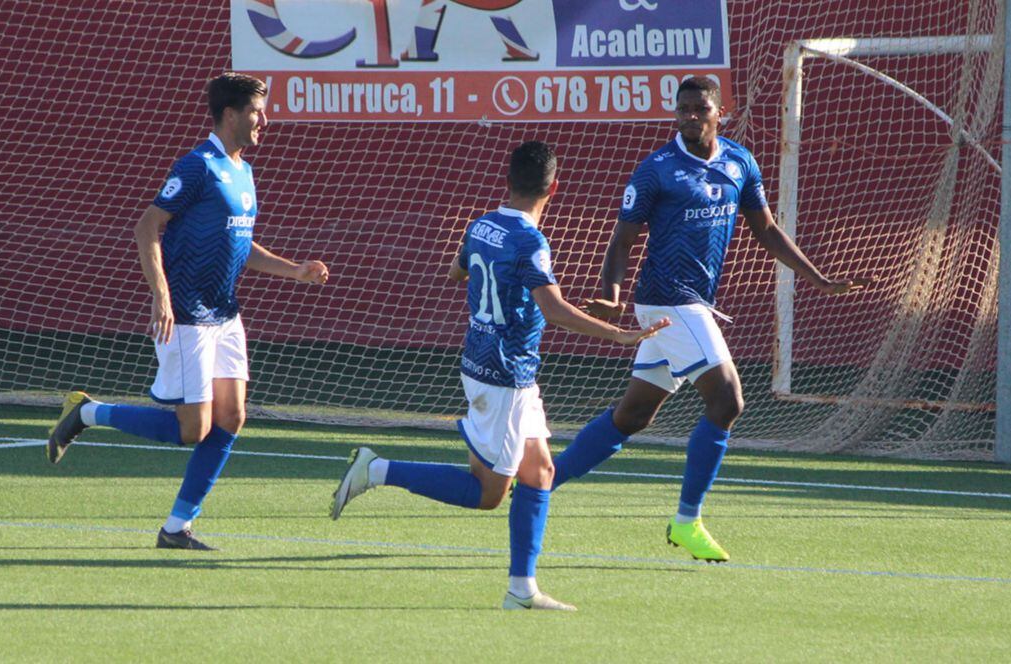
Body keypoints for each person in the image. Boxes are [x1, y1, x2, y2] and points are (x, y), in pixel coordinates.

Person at [329, 141, 668, 610]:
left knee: (541, 472)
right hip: (503, 375)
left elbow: (456, 272)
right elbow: (552, 309)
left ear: (507, 182)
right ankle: (377, 470)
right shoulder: (530, 240)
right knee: (489, 494)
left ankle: (522, 589)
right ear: (554, 186)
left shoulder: (482, 225)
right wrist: (619, 336)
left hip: (498, 368)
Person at [549, 76, 870, 562]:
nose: (690, 116)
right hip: (667, 300)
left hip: (691, 302)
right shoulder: (657, 170)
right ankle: (687, 521)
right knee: (727, 400)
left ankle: (540, 484)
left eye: (700, 108)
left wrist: (818, 278)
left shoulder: (740, 161)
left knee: (633, 415)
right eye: (683, 109)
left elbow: (766, 229)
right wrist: (611, 296)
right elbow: (621, 243)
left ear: (721, 111)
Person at [46, 72, 329, 550]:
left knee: (231, 418)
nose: (265, 119)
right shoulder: (197, 166)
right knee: (192, 430)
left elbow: (239, 242)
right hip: (188, 316)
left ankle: (177, 528)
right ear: (231, 114)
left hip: (226, 314)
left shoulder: (243, 171)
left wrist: (295, 270)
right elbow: (146, 226)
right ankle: (88, 412)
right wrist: (161, 296)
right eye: (257, 111)